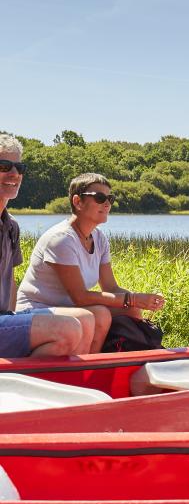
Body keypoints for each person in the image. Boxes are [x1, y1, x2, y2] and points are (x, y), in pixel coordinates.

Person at [17, 172, 165, 351]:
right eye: (100, 197)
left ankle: (114, 361)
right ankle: (87, 368)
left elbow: (110, 287)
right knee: (100, 314)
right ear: (78, 202)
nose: (107, 203)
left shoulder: (99, 238)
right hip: (37, 311)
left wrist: (143, 300)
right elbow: (80, 297)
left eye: (110, 198)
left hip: (68, 308)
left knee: (131, 310)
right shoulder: (61, 239)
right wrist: (132, 298)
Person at [0, 135, 97, 357]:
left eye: (19, 167)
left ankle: (70, 385)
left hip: (5, 318)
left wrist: (16, 321)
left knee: (84, 318)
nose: (14, 174)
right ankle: (22, 387)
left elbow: (11, 282)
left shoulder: (11, 225)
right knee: (67, 329)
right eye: (4, 166)